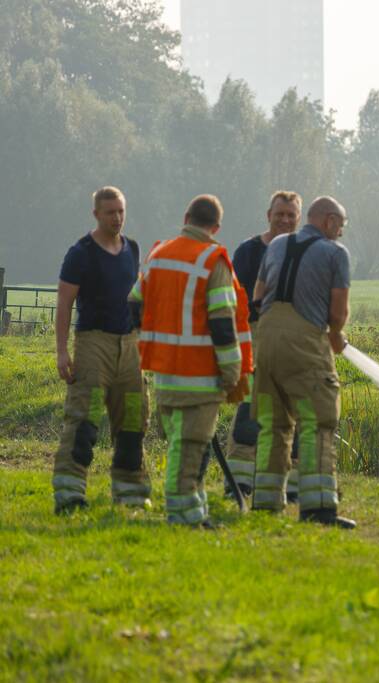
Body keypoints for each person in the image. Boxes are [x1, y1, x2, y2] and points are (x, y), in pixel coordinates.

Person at [131, 195, 253, 526]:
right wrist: (232, 372)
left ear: (186, 217)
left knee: (182, 447)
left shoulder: (158, 255)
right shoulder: (212, 260)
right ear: (216, 227)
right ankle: (182, 515)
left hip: (165, 375)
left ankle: (195, 512)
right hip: (200, 377)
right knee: (190, 450)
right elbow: (222, 323)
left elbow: (134, 304)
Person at [250, 196, 356, 528]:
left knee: (273, 424)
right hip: (305, 345)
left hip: (266, 341)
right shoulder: (336, 253)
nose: (341, 231)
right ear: (329, 220)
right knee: (317, 421)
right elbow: (337, 313)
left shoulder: (277, 244)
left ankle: (265, 503)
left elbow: (257, 296)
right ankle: (318, 507)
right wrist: (336, 335)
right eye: (341, 224)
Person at [52, 186, 151, 514]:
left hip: (129, 345)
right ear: (96, 214)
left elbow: (137, 297)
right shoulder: (81, 253)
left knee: (134, 417)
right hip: (93, 344)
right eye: (110, 212)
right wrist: (62, 351)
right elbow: (64, 302)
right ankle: (69, 493)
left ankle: (131, 494)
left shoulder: (132, 248)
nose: (117, 218)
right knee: (85, 418)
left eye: (121, 211)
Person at [225, 191, 302, 499]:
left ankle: (292, 484)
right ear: (268, 215)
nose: (285, 220)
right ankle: (239, 483)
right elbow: (234, 298)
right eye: (279, 214)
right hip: (256, 333)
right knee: (251, 407)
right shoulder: (249, 251)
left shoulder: (304, 251)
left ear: (299, 218)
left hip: (295, 337)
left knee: (294, 408)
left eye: (291, 215)